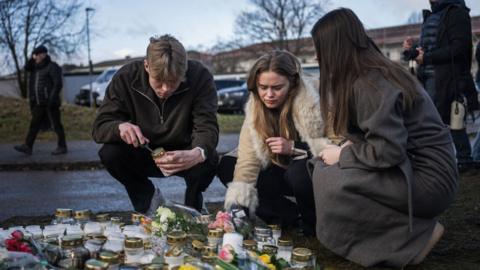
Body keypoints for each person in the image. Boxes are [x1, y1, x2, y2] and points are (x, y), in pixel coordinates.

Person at [310, 8, 458, 267]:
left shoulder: (370, 82)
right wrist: (350, 145)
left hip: (428, 179)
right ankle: (402, 234)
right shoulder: (370, 73)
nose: (316, 55)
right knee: (320, 168)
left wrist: (343, 154)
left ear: (334, 47)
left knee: (330, 180)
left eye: (319, 48)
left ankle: (416, 239)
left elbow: (389, 150)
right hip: (417, 169)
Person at [92, 35, 218, 214]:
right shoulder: (126, 77)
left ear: (185, 71)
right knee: (110, 153)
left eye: (173, 81)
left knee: (208, 155)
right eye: (158, 80)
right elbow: (100, 126)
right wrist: (119, 127)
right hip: (143, 151)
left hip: (184, 151)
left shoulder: (200, 76)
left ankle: (194, 207)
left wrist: (197, 153)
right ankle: (149, 201)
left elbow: (207, 125)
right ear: (146, 66)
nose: (165, 89)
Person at [220, 50, 331, 232]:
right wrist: (238, 205)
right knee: (228, 164)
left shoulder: (316, 96)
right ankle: (289, 217)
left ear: (293, 83)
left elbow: (335, 145)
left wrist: (294, 148)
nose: (268, 95)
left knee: (298, 172)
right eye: (263, 87)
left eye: (277, 88)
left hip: (310, 170)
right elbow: (248, 159)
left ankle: (314, 223)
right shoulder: (255, 107)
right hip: (278, 168)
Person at [402, 0, 478, 173]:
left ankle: (458, 161)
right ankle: (461, 161)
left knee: (443, 122)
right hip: (428, 78)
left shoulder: (456, 12)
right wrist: (413, 48)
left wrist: (426, 57)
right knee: (443, 122)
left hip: (447, 79)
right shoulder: (432, 15)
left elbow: (458, 48)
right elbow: (430, 47)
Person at [14, 45, 67, 155]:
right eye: (35, 55)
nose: (36, 57)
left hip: (50, 103)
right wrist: (32, 58)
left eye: (37, 55)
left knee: (56, 124)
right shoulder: (35, 68)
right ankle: (28, 147)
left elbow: (58, 83)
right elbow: (26, 67)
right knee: (34, 124)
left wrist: (52, 99)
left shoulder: (52, 66)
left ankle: (62, 147)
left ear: (43, 54)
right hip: (38, 103)